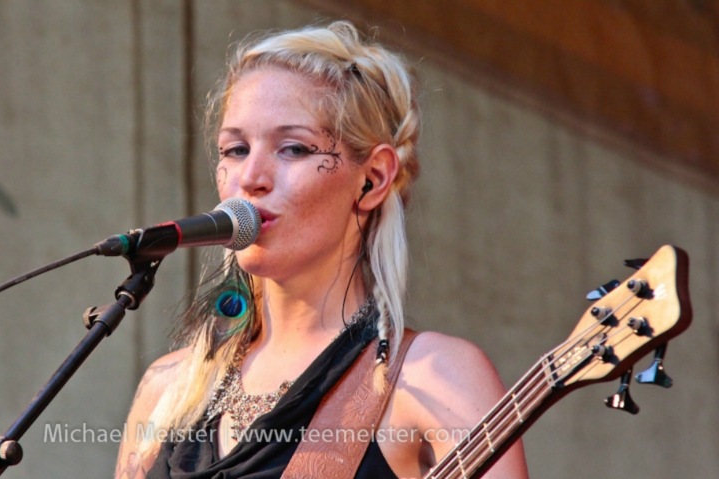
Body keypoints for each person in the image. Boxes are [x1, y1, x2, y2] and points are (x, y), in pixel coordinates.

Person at [115, 21, 529, 479]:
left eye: (292, 149)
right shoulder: (167, 389)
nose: (250, 177)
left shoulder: (434, 376)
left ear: (372, 179)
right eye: (234, 149)